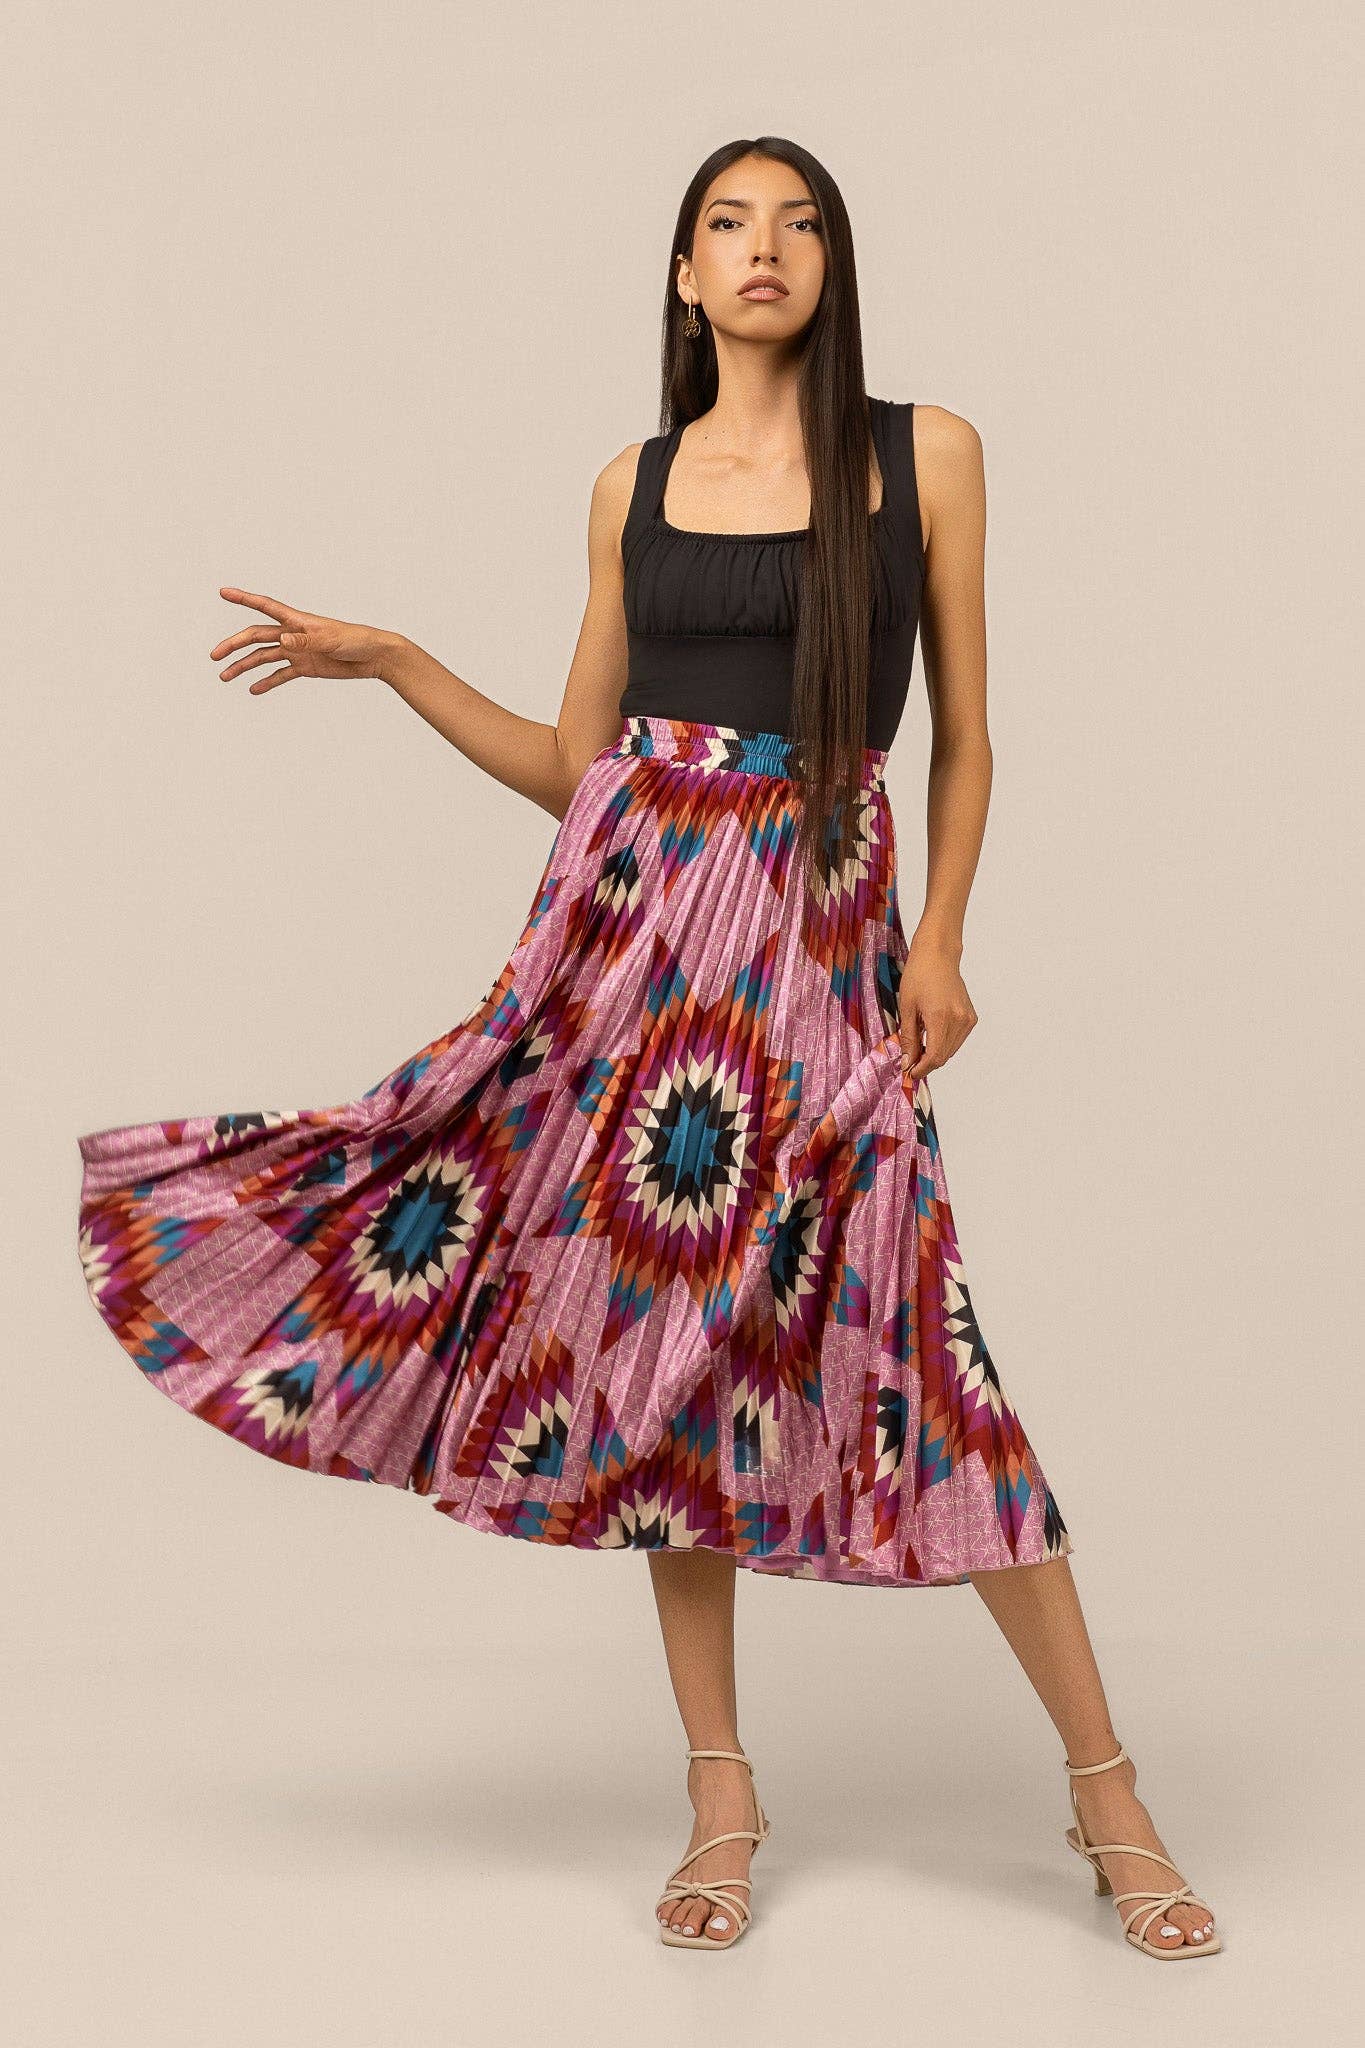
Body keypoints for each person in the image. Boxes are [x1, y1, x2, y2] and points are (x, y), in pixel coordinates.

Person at [75, 136, 1219, 1962]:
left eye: (799, 223)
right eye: (727, 225)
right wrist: (399, 661)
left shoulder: (923, 452)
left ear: (832, 263)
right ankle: (719, 1794)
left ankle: (1108, 1794)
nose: (765, 250)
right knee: (666, 1352)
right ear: (684, 274)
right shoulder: (635, 480)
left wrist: (939, 939)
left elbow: (968, 738)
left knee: (916, 1342)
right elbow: (573, 764)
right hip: (632, 953)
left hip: (822, 940)